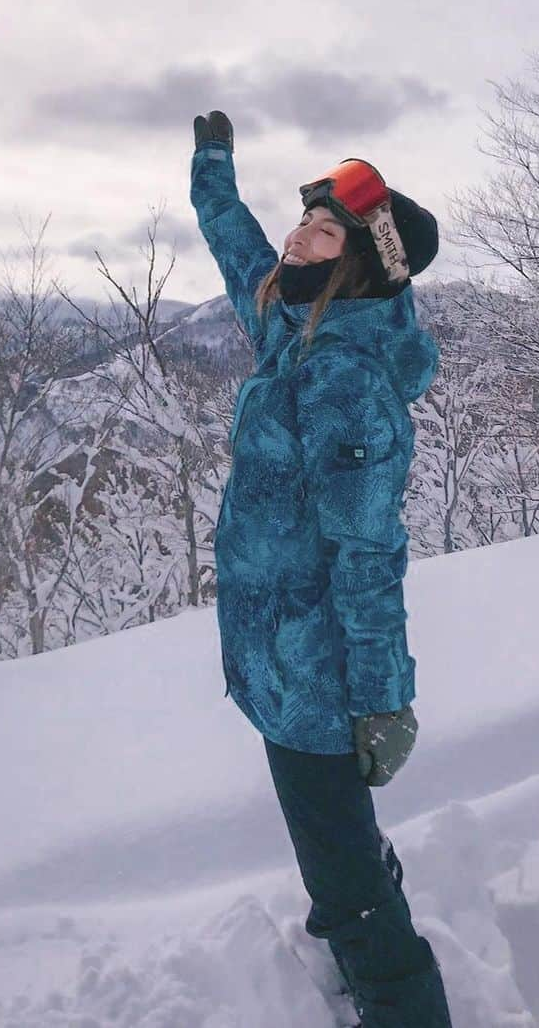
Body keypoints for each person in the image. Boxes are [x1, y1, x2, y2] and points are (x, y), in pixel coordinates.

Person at [190, 109, 453, 1027]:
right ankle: (351, 943)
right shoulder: (294, 329)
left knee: (342, 873)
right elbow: (239, 254)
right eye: (304, 218)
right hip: (279, 658)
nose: (300, 232)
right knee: (333, 844)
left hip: (322, 678)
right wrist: (212, 167)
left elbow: (369, 555)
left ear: (360, 262)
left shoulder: (341, 378)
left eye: (323, 227)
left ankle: (401, 1002)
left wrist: (382, 699)